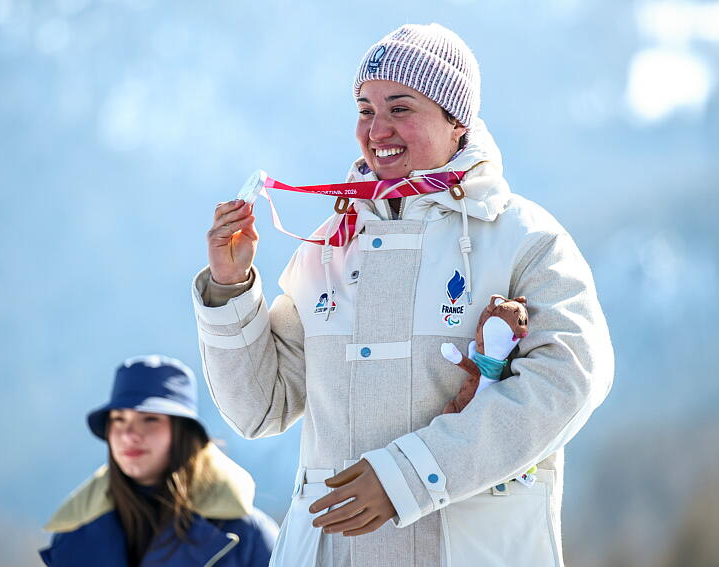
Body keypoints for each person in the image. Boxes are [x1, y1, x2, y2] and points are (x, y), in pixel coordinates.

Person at [192, 23, 614, 567]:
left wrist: (410, 477)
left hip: (472, 550)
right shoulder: (326, 248)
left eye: (400, 108)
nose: (377, 128)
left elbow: (570, 378)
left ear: (456, 120)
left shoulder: (524, 239)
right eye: (365, 110)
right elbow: (261, 409)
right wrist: (230, 287)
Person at [40, 355, 278, 567]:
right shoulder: (74, 536)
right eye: (119, 419)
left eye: (150, 419)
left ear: (182, 433)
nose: (129, 434)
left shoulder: (248, 535)